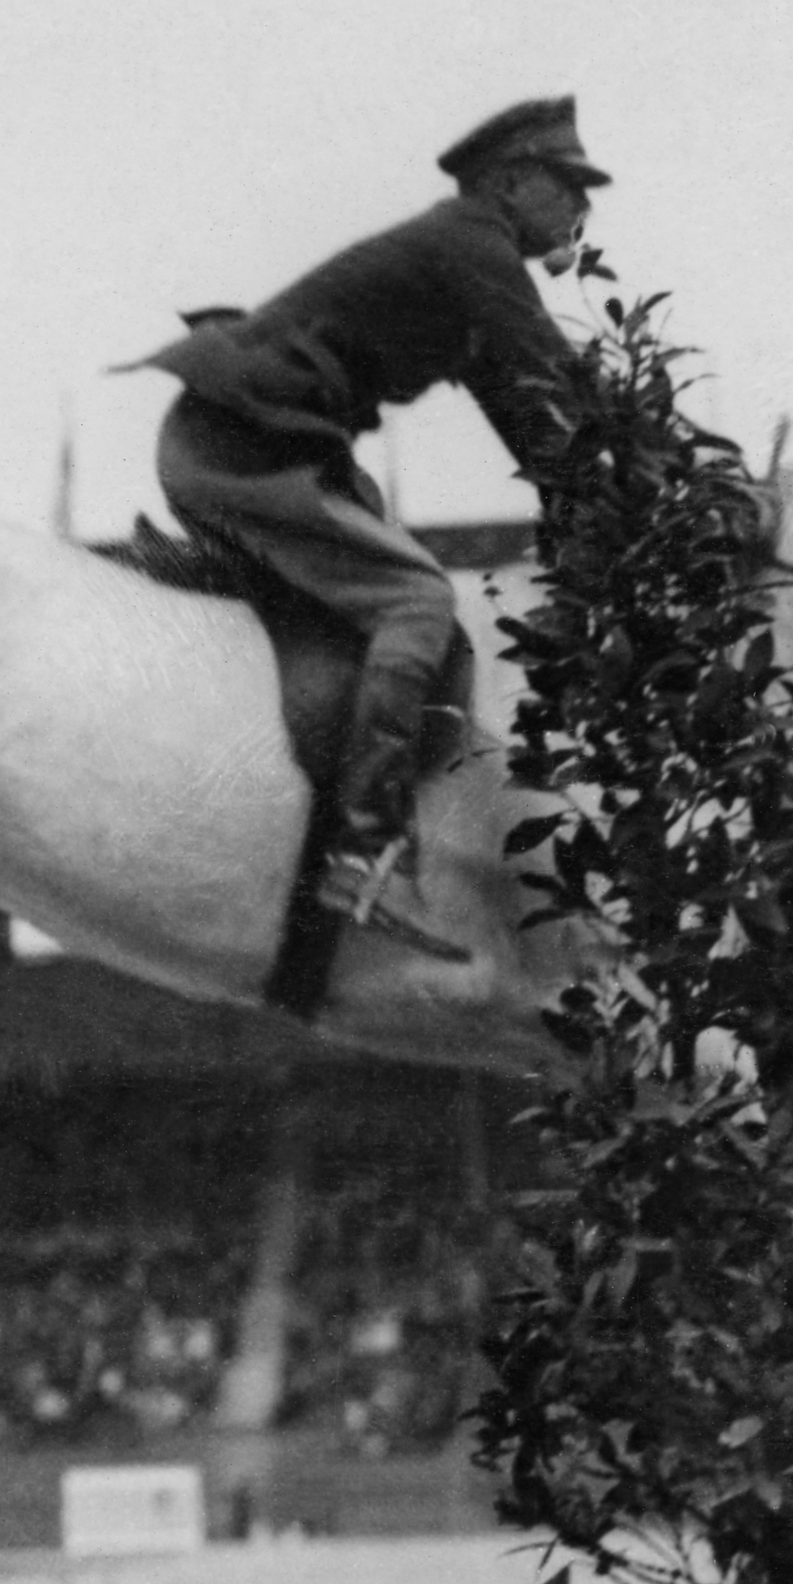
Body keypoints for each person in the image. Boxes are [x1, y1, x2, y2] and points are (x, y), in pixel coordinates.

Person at [139, 96, 603, 960]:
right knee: (420, 600)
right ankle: (362, 857)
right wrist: (684, 479)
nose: (584, 208)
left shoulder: (470, 265)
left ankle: (382, 853)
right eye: (569, 184)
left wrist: (591, 516)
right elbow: (569, 382)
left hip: (264, 441)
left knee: (433, 629)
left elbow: (543, 430)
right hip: (243, 447)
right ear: (509, 182)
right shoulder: (475, 245)